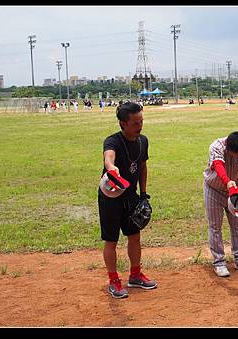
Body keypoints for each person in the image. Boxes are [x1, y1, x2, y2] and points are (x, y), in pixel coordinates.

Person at [98, 102, 157, 299]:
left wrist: (143, 193)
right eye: (135, 123)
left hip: (131, 196)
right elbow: (109, 157)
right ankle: (114, 280)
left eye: (141, 121)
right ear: (123, 123)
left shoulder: (143, 141)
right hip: (111, 197)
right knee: (111, 240)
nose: (140, 126)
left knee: (134, 236)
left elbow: (142, 167)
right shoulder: (112, 141)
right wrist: (111, 167)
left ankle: (135, 274)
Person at [203, 131, 238, 277]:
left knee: (237, 225)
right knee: (215, 227)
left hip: (234, 191)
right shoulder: (217, 146)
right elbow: (218, 165)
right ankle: (219, 262)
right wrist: (227, 182)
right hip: (213, 189)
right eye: (235, 154)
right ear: (228, 147)